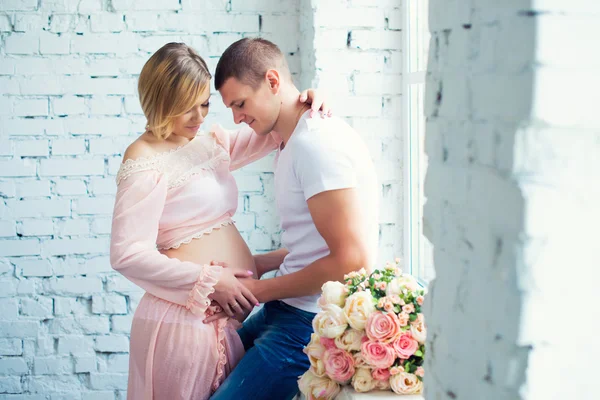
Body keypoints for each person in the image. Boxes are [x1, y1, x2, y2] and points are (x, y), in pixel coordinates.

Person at [109, 42, 330, 400]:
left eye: (204, 104)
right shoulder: (144, 160)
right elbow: (127, 254)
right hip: (182, 322)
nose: (199, 118)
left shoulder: (207, 142)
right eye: (186, 109)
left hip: (219, 323)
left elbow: (274, 128)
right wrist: (208, 280)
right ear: (160, 103)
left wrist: (304, 102)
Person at [207, 38, 380, 400]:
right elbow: (312, 245)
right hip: (285, 308)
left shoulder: (315, 145)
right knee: (203, 367)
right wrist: (258, 264)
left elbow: (353, 260)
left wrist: (257, 291)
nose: (237, 118)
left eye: (240, 104)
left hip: (308, 321)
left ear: (272, 81)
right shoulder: (287, 140)